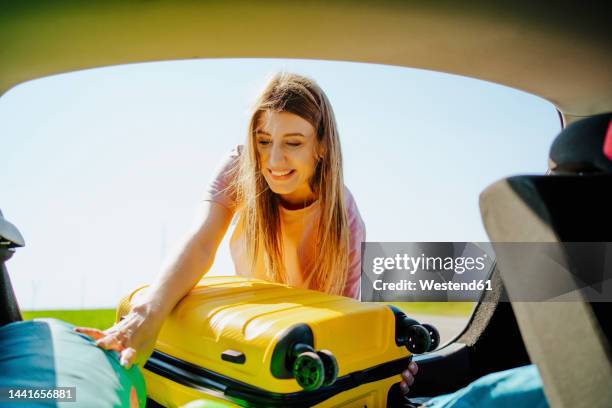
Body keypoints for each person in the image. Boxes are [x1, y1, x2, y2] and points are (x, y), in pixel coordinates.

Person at [75, 72, 419, 395]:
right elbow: (200, 243)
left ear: (322, 147)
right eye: (264, 141)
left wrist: (383, 365)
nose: (274, 160)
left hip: (300, 345)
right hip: (250, 331)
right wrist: (144, 316)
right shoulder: (240, 168)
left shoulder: (344, 215)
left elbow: (344, 314)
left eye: (293, 143)